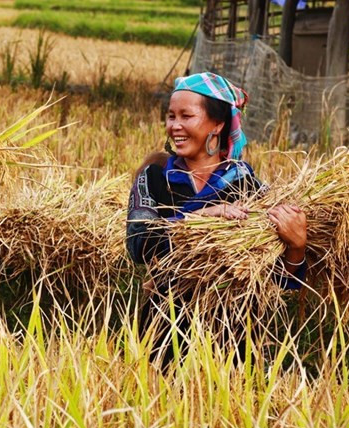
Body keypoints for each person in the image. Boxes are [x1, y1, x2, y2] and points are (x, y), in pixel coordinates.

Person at [126, 72, 307, 365]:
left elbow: (279, 281)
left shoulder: (249, 188)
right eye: (171, 116)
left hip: (234, 338)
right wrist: (199, 218)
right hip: (164, 333)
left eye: (186, 116)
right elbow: (139, 243)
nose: (175, 126)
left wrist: (297, 247)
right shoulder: (156, 178)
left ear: (218, 124)